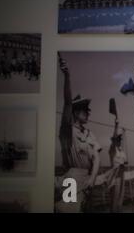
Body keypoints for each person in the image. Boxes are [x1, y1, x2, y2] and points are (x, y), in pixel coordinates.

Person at [56, 57, 102, 213]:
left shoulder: (89, 133)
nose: (88, 113)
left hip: (88, 179)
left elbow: (96, 157)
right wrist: (67, 77)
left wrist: (92, 178)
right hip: (72, 178)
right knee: (69, 210)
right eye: (84, 110)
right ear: (75, 113)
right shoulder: (67, 131)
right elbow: (67, 103)